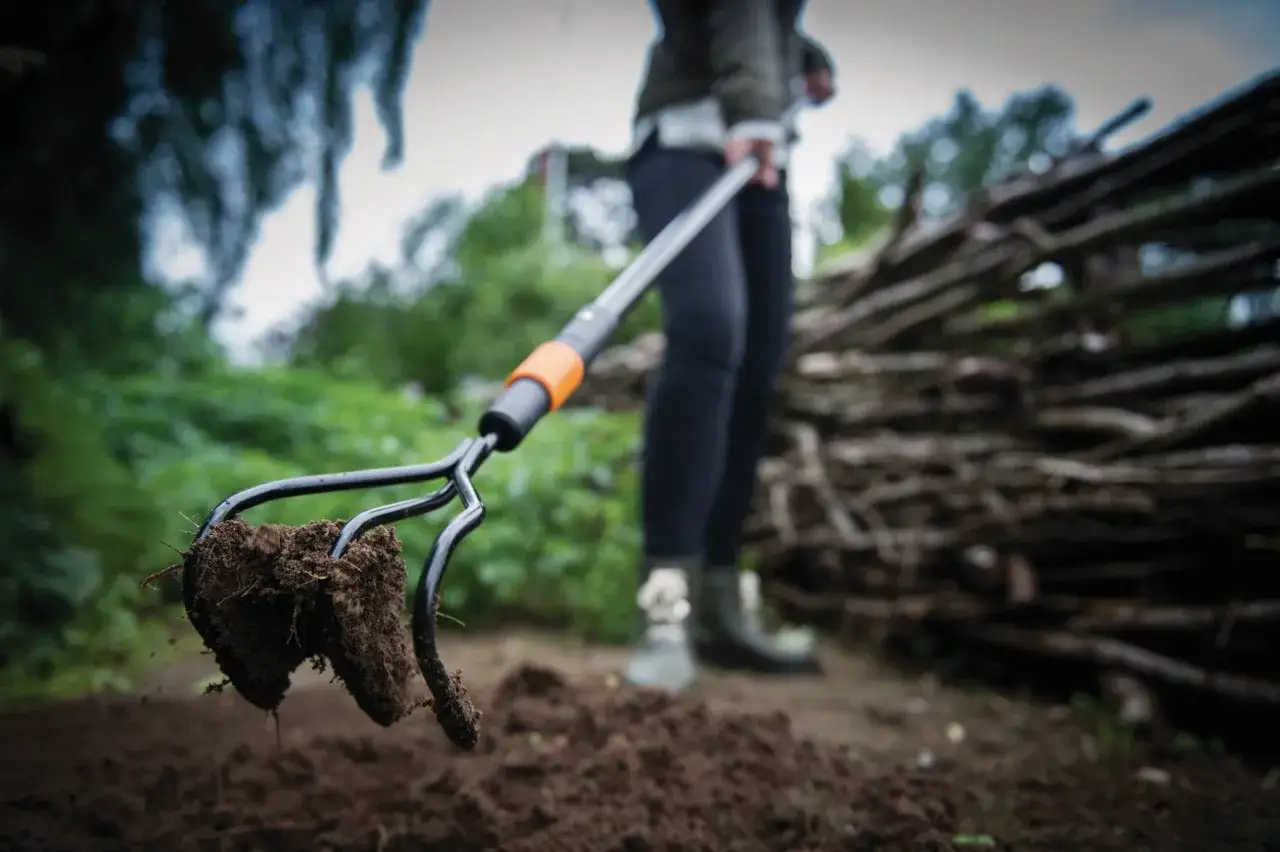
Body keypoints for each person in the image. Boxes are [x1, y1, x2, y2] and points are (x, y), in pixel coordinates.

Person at [623, 0, 836, 692]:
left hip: (761, 154)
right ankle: (665, 611)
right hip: (688, 139)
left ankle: (719, 606)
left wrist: (801, 56)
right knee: (709, 331)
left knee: (758, 363)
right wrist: (750, 103)